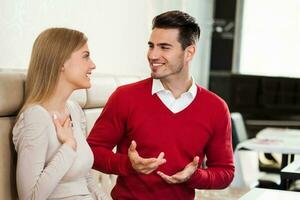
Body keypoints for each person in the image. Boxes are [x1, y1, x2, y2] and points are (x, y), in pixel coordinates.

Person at [87, 10, 234, 200]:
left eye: (164, 47)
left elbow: (225, 172)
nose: (153, 55)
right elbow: (92, 151)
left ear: (189, 52)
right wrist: (128, 164)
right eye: (151, 46)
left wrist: (196, 176)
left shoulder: (215, 107)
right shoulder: (125, 97)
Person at [12, 28, 108, 200]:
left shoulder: (74, 110)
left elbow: (85, 179)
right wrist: (69, 147)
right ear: (61, 63)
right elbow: (30, 197)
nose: (92, 64)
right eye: (85, 56)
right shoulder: (35, 118)